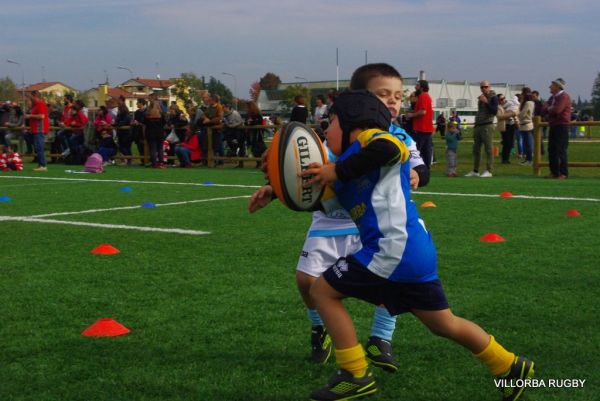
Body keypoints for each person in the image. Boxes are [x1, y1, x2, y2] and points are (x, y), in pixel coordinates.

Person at [299, 90, 534, 401]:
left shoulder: (372, 139)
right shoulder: (343, 167)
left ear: (353, 121)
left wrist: (337, 170)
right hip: (410, 253)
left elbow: (391, 147)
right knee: (444, 324)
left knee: (322, 291)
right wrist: (277, 190)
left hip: (391, 249)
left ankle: (355, 373)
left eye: (331, 123)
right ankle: (509, 365)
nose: (326, 132)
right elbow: (318, 200)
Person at [249, 63, 430, 373]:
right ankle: (320, 330)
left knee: (395, 283)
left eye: (398, 96)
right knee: (306, 281)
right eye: (383, 94)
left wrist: (415, 174)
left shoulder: (399, 136)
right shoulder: (334, 137)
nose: (392, 101)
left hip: (378, 224)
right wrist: (277, 189)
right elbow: (308, 175)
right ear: (359, 99)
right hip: (331, 219)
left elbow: (422, 169)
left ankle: (381, 340)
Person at [465, 80, 498, 177]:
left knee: (488, 149)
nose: (484, 89)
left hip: (487, 125)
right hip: (479, 125)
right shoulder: (481, 98)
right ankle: (475, 170)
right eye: (482, 87)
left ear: (489, 87)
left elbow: (494, 111)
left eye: (485, 87)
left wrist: (486, 102)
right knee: (476, 149)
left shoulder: (493, 97)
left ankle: (489, 170)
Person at [542, 78, 571, 179]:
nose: (550, 87)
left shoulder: (564, 96)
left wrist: (548, 109)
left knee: (561, 150)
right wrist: (549, 109)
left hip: (562, 126)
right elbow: (544, 108)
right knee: (552, 149)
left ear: (558, 86)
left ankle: (563, 173)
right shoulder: (553, 97)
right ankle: (554, 172)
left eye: (552, 85)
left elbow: (557, 110)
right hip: (554, 125)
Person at [405, 80, 434, 167]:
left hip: (421, 128)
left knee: (416, 151)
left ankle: (416, 168)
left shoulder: (423, 96)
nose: (415, 87)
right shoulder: (426, 96)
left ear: (421, 87)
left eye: (417, 85)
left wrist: (411, 115)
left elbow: (423, 112)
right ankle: (425, 169)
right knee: (426, 152)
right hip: (426, 129)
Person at [25, 90, 50, 171]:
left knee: (39, 147)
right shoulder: (36, 105)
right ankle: (40, 164)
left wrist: (30, 116)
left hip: (40, 129)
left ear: (35, 96)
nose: (30, 98)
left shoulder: (40, 104)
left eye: (31, 96)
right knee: (37, 147)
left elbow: (41, 116)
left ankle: (43, 165)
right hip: (35, 129)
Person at [201, 94, 224, 166]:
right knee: (211, 145)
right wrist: (205, 118)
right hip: (210, 129)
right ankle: (212, 161)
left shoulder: (219, 107)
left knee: (218, 146)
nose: (209, 101)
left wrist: (209, 120)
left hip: (217, 129)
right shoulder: (210, 107)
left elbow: (220, 118)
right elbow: (204, 114)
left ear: (214, 100)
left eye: (210, 100)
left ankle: (221, 161)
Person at [496, 94, 518, 164]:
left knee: (510, 143)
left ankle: (506, 159)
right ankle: (504, 159)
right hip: (504, 125)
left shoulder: (511, 104)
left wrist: (510, 114)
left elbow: (516, 111)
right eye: (500, 99)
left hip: (512, 125)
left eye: (503, 98)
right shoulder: (498, 107)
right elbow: (500, 116)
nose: (503, 100)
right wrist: (510, 114)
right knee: (507, 143)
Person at [145, 100, 167, 168]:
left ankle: (154, 163)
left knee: (153, 149)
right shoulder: (161, 115)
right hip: (160, 133)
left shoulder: (147, 115)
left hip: (150, 133)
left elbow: (144, 123)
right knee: (160, 148)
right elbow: (164, 123)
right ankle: (161, 163)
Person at [245, 101, 266, 167]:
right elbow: (246, 122)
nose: (246, 108)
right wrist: (248, 123)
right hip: (251, 134)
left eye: (247, 107)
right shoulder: (248, 114)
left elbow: (259, 121)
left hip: (257, 134)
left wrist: (251, 123)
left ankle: (262, 162)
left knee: (260, 148)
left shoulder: (257, 114)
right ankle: (258, 162)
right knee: (254, 148)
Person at [517, 88, 535, 166]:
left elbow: (522, 114)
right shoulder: (527, 102)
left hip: (527, 125)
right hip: (523, 125)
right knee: (526, 143)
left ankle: (529, 160)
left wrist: (518, 114)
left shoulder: (528, 103)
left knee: (528, 144)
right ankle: (527, 159)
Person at [131, 98, 147, 165]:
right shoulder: (137, 112)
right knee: (139, 147)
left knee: (145, 146)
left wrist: (140, 123)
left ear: (141, 103)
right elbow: (135, 120)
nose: (136, 104)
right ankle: (142, 161)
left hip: (144, 132)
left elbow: (146, 122)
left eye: (137, 103)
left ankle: (147, 160)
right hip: (137, 132)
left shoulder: (147, 111)